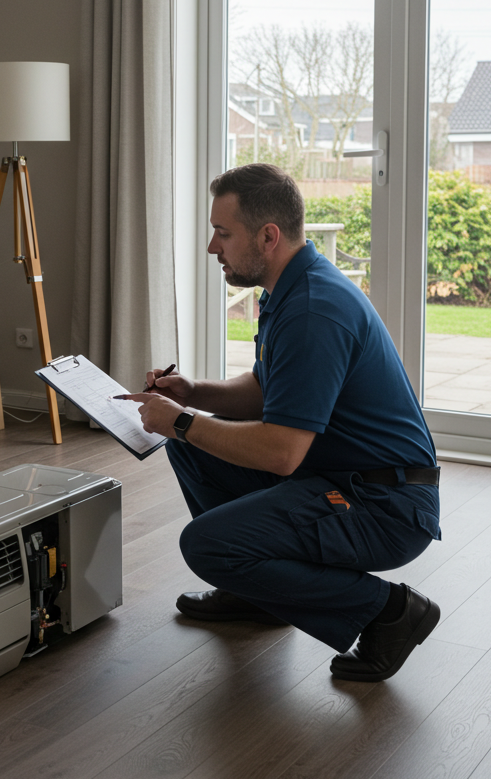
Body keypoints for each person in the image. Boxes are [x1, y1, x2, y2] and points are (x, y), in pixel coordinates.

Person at [126, 163, 442, 682]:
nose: (212, 247)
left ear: (267, 236)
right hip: (345, 480)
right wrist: (194, 394)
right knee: (192, 446)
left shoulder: (314, 310)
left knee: (204, 543)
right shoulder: (290, 289)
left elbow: (281, 452)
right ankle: (262, 597)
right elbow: (266, 391)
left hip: (384, 506)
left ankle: (390, 612)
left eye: (223, 233)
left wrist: (181, 421)